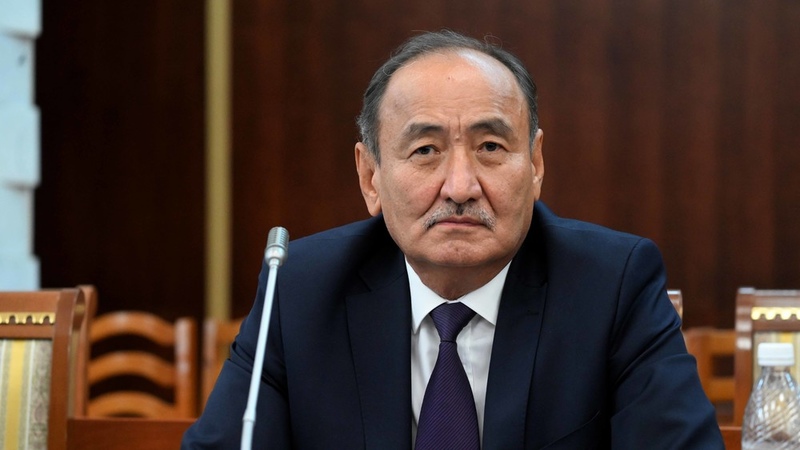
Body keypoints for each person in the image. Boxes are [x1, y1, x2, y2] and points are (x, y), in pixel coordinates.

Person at [182, 30, 723, 449]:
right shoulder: (301, 289)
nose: (461, 187)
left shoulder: (612, 285)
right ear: (370, 177)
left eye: (490, 147)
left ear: (535, 164)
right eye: (425, 151)